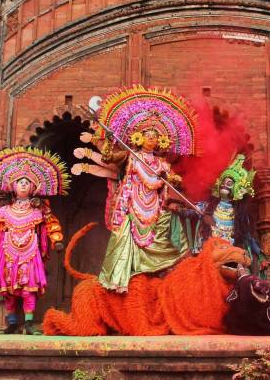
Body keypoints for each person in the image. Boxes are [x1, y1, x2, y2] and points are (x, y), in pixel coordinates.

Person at [73, 85, 199, 292]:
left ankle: (159, 273)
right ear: (139, 138)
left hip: (156, 210)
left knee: (165, 235)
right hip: (132, 208)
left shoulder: (161, 164)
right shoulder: (130, 155)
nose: (152, 138)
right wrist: (108, 141)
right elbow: (108, 158)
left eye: (155, 136)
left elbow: (175, 180)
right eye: (148, 134)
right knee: (125, 239)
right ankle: (123, 279)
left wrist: (173, 179)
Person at [0, 146, 70, 335]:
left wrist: (57, 240)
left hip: (30, 253)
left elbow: (51, 224)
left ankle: (28, 323)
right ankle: (12, 323)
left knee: (29, 289)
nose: (22, 185)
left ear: (33, 187)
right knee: (9, 290)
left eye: (26, 182)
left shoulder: (39, 210)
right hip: (8, 253)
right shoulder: (4, 211)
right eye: (19, 181)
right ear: (12, 186)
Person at [168, 154, 266, 276]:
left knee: (240, 264)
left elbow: (249, 238)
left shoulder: (241, 216)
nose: (225, 185)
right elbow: (191, 212)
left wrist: (261, 257)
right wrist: (178, 208)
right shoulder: (207, 207)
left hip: (229, 254)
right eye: (224, 182)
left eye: (229, 183)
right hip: (208, 252)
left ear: (238, 189)